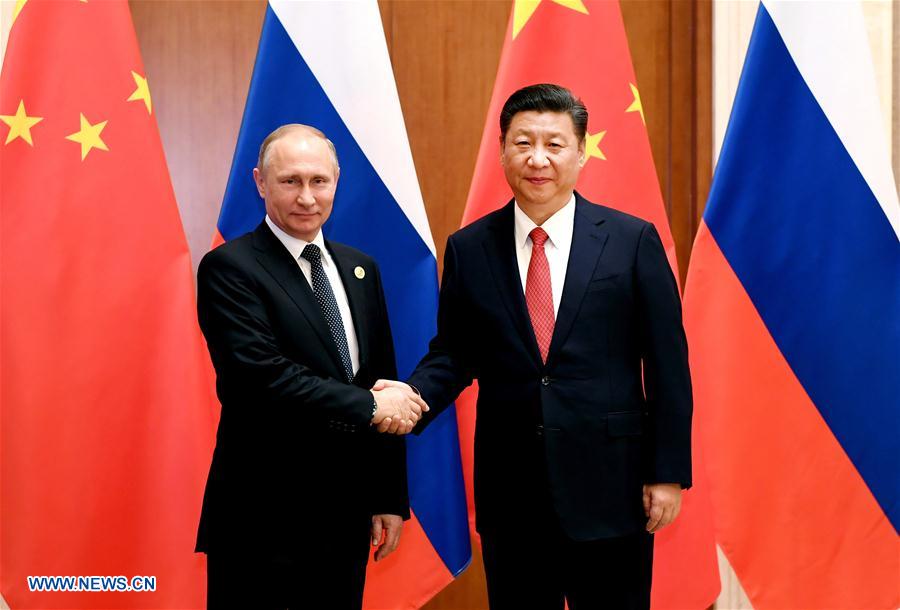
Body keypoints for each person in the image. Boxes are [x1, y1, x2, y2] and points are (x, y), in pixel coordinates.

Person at [377, 84, 692, 609]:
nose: (538, 158)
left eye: (554, 143)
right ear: (502, 150)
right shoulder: (470, 247)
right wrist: (409, 399)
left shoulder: (632, 240)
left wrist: (667, 473)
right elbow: (455, 353)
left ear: (581, 151)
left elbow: (666, 365)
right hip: (514, 495)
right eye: (523, 142)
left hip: (612, 488)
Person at [195, 124, 427, 609]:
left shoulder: (360, 267)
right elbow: (263, 377)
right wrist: (370, 404)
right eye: (290, 181)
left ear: (337, 181)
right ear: (260, 182)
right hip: (262, 519)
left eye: (319, 181)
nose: (306, 197)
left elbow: (380, 377)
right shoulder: (230, 268)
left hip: (344, 516)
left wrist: (387, 497)